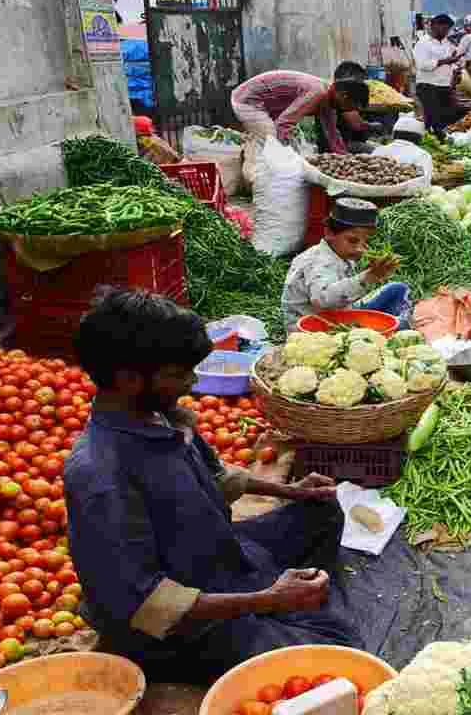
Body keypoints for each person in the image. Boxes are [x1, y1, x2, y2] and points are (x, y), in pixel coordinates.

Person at [65, 290, 360, 684]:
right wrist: (266, 599)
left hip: (218, 556)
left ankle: (287, 610)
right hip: (175, 630)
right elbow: (144, 604)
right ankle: (280, 615)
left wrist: (296, 492)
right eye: (178, 374)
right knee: (337, 650)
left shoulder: (164, 417)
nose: (192, 382)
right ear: (128, 379)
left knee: (321, 511)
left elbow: (218, 478)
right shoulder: (101, 475)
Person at [282, 199, 410, 332]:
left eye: (366, 241)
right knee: (402, 325)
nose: (360, 248)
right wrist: (368, 277)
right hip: (316, 328)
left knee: (397, 289)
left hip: (340, 315)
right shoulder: (317, 261)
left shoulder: (341, 254)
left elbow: (345, 290)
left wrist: (372, 273)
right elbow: (324, 300)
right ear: (329, 233)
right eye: (353, 241)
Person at [230, 63, 370, 155]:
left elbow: (332, 134)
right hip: (248, 101)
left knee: (284, 149)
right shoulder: (318, 93)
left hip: (268, 106)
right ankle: (259, 181)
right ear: (343, 96)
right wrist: (284, 154)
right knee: (271, 142)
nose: (348, 111)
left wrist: (345, 159)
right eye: (350, 107)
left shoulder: (329, 101)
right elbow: (283, 124)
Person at [414, 14, 463, 136]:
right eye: (443, 28)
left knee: (446, 119)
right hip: (428, 86)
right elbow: (422, 65)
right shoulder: (423, 43)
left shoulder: (448, 43)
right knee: (433, 120)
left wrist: (456, 68)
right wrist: (445, 61)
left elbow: (453, 61)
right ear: (433, 26)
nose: (446, 31)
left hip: (444, 86)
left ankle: (442, 143)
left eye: (447, 29)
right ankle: (432, 143)